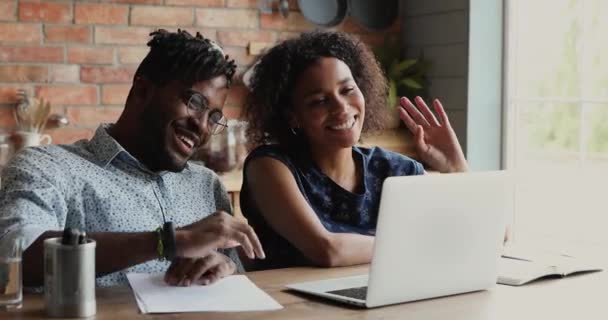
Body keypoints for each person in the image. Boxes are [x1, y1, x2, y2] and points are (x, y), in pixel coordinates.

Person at [0, 29, 265, 287]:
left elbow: (232, 280)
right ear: (142, 90)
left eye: (214, 118)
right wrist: (168, 242)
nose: (203, 127)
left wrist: (223, 268)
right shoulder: (48, 166)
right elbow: (12, 255)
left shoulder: (207, 185)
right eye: (195, 103)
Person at [240, 31, 468, 271]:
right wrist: (423, 242)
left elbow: (493, 233)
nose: (341, 107)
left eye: (347, 90)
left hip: (381, 300)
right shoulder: (270, 166)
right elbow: (327, 250)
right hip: (290, 305)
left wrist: (457, 168)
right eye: (319, 101)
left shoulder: (394, 169)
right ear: (293, 117)